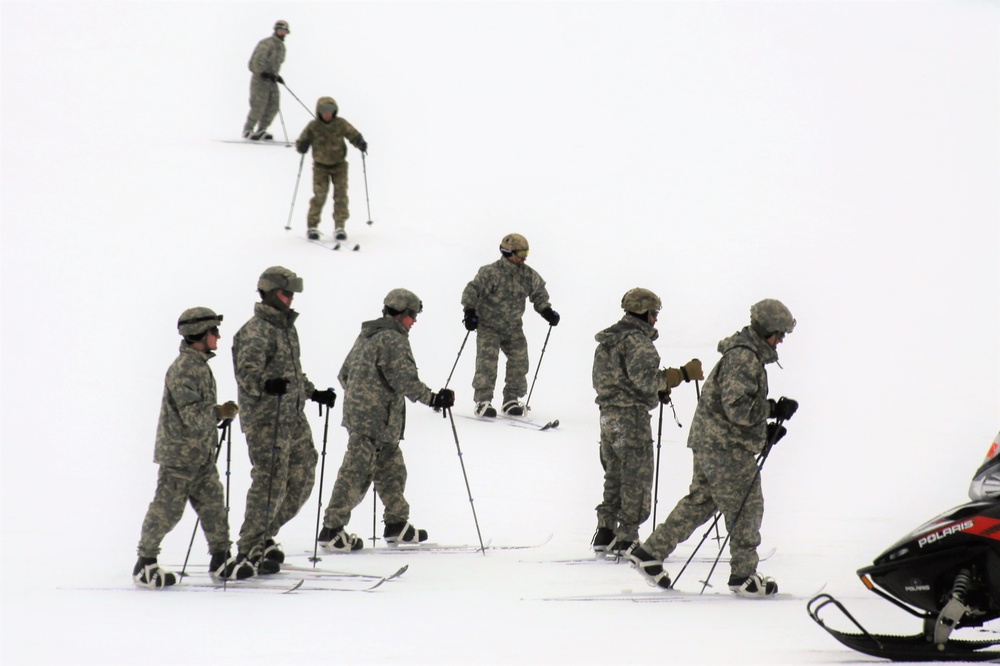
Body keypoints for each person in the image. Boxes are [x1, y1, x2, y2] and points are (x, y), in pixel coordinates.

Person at [629, 299, 799, 597]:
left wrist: (765, 431)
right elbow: (738, 408)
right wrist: (772, 409)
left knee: (702, 501)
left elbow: (732, 409)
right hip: (725, 448)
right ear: (767, 330)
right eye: (780, 333)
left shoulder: (746, 355)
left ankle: (650, 553)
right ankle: (744, 577)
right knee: (747, 506)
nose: (783, 339)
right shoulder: (744, 358)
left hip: (713, 442)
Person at [317, 289, 455, 552]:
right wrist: (434, 399)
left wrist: (362, 397)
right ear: (401, 313)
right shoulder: (393, 338)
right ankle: (331, 530)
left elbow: (344, 374)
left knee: (392, 469)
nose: (414, 321)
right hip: (374, 420)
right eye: (412, 315)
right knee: (356, 472)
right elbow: (404, 380)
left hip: (375, 419)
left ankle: (397, 524)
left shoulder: (367, 335)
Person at [133, 307, 248, 589]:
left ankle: (221, 559)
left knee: (214, 508)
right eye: (214, 332)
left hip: (201, 455)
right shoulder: (183, 368)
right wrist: (218, 412)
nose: (218, 337)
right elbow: (192, 413)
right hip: (179, 457)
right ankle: (145, 563)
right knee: (167, 510)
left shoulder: (199, 366)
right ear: (199, 334)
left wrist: (218, 414)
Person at [232, 266, 337, 574]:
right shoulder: (254, 331)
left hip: (292, 415)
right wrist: (265, 384)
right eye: (285, 293)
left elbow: (292, 372)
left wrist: (312, 392)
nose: (290, 299)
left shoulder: (286, 328)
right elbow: (247, 375)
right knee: (269, 483)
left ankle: (264, 536)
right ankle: (248, 547)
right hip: (267, 420)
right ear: (268, 292)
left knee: (304, 474)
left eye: (292, 294)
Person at [591, 288, 704, 557]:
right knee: (636, 477)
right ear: (642, 312)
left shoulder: (608, 341)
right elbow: (646, 379)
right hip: (631, 417)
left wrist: (653, 391)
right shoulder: (638, 342)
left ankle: (606, 531)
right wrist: (681, 375)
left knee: (615, 474)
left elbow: (613, 379)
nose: (655, 319)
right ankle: (627, 537)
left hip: (608, 415)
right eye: (654, 313)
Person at [461, 233, 559, 418]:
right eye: (521, 253)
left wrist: (546, 311)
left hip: (513, 327)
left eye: (526, 252)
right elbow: (472, 290)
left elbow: (538, 293)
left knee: (520, 360)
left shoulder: (527, 274)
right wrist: (470, 312)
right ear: (508, 252)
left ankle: (511, 400)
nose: (524, 257)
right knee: (487, 363)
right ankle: (483, 400)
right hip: (489, 326)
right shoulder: (491, 272)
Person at [295, 97, 367, 242]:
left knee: (341, 196)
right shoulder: (313, 126)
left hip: (339, 166)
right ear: (319, 112)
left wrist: (359, 142)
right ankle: (312, 226)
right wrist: (302, 146)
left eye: (330, 111)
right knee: (319, 196)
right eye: (323, 111)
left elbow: (352, 134)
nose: (327, 114)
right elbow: (301, 141)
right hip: (320, 167)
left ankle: (339, 226)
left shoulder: (340, 124)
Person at [242, 20, 290, 141]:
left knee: (273, 105)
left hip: (271, 80)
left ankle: (261, 129)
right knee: (258, 105)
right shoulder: (266, 43)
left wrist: (275, 76)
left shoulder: (281, 47)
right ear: (275, 30)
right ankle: (248, 130)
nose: (282, 33)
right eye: (280, 30)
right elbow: (254, 62)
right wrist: (263, 72)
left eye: (284, 31)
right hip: (260, 79)